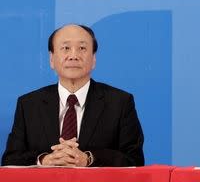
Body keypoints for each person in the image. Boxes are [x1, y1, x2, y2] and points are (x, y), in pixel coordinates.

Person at [2, 24, 144, 167]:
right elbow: (10, 160)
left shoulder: (120, 103)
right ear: (51, 59)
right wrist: (44, 160)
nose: (73, 56)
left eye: (82, 48)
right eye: (66, 48)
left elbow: (134, 160)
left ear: (94, 58)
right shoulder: (28, 105)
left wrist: (89, 159)